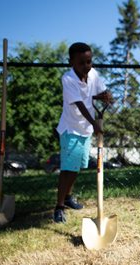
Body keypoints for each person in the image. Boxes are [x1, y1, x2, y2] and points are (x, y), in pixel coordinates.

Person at [53, 42, 112, 223]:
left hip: (85, 129)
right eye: (82, 63)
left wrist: (106, 96)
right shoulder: (68, 79)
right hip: (71, 129)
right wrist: (94, 123)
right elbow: (79, 103)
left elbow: (98, 91)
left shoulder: (92, 74)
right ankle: (59, 207)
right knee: (68, 169)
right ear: (71, 62)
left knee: (76, 167)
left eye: (89, 61)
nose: (87, 66)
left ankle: (68, 197)